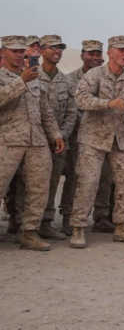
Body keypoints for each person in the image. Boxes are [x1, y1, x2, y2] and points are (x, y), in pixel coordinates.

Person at [70, 36, 124, 249]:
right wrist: (107, 103)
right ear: (110, 53)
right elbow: (81, 99)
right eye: (121, 50)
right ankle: (78, 228)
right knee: (88, 183)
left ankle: (122, 227)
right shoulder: (95, 74)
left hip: (120, 139)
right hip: (93, 138)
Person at [0, 35, 65, 251]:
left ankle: (29, 233)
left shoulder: (35, 77)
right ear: (3, 52)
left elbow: (45, 110)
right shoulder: (5, 76)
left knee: (38, 188)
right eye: (14, 51)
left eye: (22, 51)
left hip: (36, 141)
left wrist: (55, 133)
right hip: (7, 141)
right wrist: (21, 82)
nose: (19, 55)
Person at [60, 40, 114, 235]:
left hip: (105, 136)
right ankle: (68, 217)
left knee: (106, 176)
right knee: (77, 178)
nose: (95, 58)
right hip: (78, 136)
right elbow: (70, 108)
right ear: (82, 55)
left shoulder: (109, 78)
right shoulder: (70, 79)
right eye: (91, 54)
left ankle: (101, 217)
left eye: (98, 54)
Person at [36, 35, 78, 240]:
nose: (57, 51)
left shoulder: (67, 82)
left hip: (59, 144)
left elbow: (72, 112)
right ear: (41, 51)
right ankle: (21, 224)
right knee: (30, 184)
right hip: (34, 142)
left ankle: (45, 224)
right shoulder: (30, 77)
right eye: (52, 47)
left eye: (60, 48)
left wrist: (62, 135)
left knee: (52, 184)